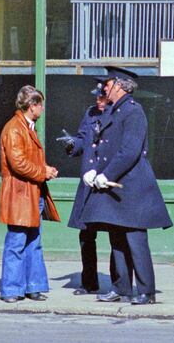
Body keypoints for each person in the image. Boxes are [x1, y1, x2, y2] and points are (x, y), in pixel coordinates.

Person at [80, 66, 172, 305]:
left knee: (135, 239)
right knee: (116, 238)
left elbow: (129, 151)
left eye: (107, 84)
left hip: (131, 185)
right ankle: (121, 288)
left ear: (120, 85)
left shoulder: (133, 112)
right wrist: (94, 171)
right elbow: (103, 145)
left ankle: (146, 291)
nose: (103, 88)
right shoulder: (114, 110)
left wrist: (105, 173)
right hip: (112, 183)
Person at [0, 85, 60, 303]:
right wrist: (44, 171)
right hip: (20, 194)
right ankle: (11, 289)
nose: (42, 108)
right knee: (17, 242)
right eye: (40, 104)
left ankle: (33, 286)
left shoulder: (28, 127)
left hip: (32, 193)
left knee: (34, 241)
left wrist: (45, 170)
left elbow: (27, 161)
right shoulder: (14, 128)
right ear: (32, 106)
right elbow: (18, 164)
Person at [57, 81, 115, 295]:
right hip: (89, 183)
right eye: (97, 98)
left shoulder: (117, 114)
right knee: (86, 234)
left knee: (115, 234)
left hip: (107, 180)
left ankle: (118, 284)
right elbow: (83, 138)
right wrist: (73, 144)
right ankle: (88, 282)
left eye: (102, 97)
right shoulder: (90, 113)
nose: (98, 101)